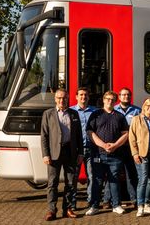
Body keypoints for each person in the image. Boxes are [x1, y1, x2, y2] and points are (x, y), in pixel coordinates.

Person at [41, 89, 84, 221]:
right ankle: (51, 210)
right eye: (59, 98)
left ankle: (68, 209)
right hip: (54, 154)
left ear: (68, 99)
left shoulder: (74, 114)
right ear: (55, 99)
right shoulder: (48, 114)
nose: (62, 100)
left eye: (64, 98)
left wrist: (81, 153)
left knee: (71, 183)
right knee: (52, 183)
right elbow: (44, 136)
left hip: (70, 153)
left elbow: (79, 136)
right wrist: (45, 154)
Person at [85, 91, 129, 216]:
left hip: (115, 155)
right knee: (97, 181)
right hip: (98, 154)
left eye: (112, 99)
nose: (110, 101)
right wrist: (103, 145)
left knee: (114, 180)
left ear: (115, 101)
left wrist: (114, 146)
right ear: (104, 100)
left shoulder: (120, 116)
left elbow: (125, 134)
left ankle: (116, 205)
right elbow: (90, 133)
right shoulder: (96, 114)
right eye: (108, 99)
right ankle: (94, 206)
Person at [110, 87, 140, 209]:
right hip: (116, 147)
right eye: (123, 95)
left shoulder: (137, 111)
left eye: (128, 95)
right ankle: (109, 200)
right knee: (113, 174)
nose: (126, 97)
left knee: (131, 174)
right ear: (119, 96)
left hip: (130, 147)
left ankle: (134, 199)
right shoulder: (113, 110)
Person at [69, 87, 98, 209]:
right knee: (73, 177)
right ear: (76, 97)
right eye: (81, 95)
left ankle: (91, 202)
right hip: (75, 150)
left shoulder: (95, 111)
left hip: (91, 148)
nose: (83, 97)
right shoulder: (70, 111)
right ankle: (72, 204)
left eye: (85, 95)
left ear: (88, 97)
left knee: (92, 176)